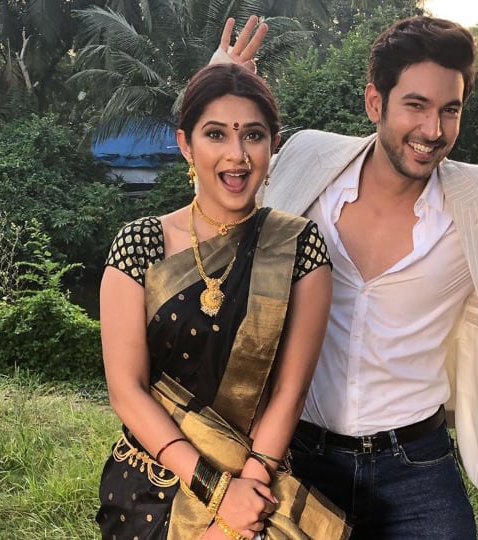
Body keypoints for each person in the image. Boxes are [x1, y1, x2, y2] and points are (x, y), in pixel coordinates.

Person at [213, 15, 478, 539]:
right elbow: (217, 211)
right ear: (375, 102)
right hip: (296, 452)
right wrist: (221, 90)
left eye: (450, 110)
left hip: (416, 465)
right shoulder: (306, 160)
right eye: (416, 105)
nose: (433, 130)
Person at [95, 62, 349, 540]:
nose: (237, 155)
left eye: (253, 135)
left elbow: (289, 392)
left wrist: (241, 504)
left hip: (258, 485)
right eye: (216, 134)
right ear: (186, 144)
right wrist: (217, 493)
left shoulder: (298, 247)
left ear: (273, 145)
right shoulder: (140, 244)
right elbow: (126, 389)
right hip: (150, 487)